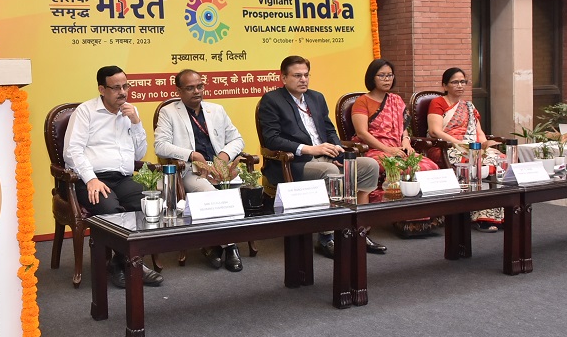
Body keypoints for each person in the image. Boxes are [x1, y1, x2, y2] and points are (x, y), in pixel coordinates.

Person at [257, 55, 386, 258]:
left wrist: (337, 149)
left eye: (306, 75)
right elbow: (272, 140)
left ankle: (358, 230)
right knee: (330, 171)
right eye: (297, 76)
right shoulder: (272, 100)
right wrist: (309, 149)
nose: (303, 80)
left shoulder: (316, 97)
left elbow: (329, 130)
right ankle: (327, 237)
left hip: (326, 156)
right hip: (295, 162)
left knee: (369, 165)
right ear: (283, 78)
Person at [64, 65, 164, 289]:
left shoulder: (130, 112)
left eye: (125, 86)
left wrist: (136, 124)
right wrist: (90, 178)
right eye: (116, 88)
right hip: (93, 179)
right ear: (102, 89)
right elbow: (72, 151)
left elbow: (139, 155)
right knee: (110, 209)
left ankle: (121, 262)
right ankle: (128, 264)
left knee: (147, 203)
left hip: (123, 178)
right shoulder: (86, 112)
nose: (123, 92)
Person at [155, 69, 247, 271]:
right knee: (211, 194)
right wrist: (191, 154)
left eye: (199, 86)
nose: (196, 91)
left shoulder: (217, 110)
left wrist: (224, 156)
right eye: (190, 88)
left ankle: (214, 246)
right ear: (179, 91)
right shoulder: (169, 112)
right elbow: (160, 146)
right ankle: (231, 246)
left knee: (245, 190)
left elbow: (238, 139)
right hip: (191, 171)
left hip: (220, 167)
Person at [351, 59, 441, 238]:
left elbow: (403, 129)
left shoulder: (396, 100)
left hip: (398, 148)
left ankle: (422, 218)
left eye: (389, 75)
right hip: (373, 150)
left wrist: (406, 143)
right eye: (382, 75)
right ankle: (402, 217)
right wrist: (387, 149)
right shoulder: (362, 102)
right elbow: (362, 133)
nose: (387, 79)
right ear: (372, 77)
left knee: (430, 167)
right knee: (403, 168)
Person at [426, 67, 506, 232]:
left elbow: (479, 133)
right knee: (475, 163)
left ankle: (500, 215)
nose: (460, 85)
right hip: (446, 147)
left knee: (501, 160)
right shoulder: (438, 103)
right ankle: (480, 216)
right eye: (455, 82)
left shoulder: (469, 106)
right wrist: (460, 144)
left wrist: (486, 145)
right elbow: (435, 131)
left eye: (463, 82)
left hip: (472, 147)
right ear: (445, 85)